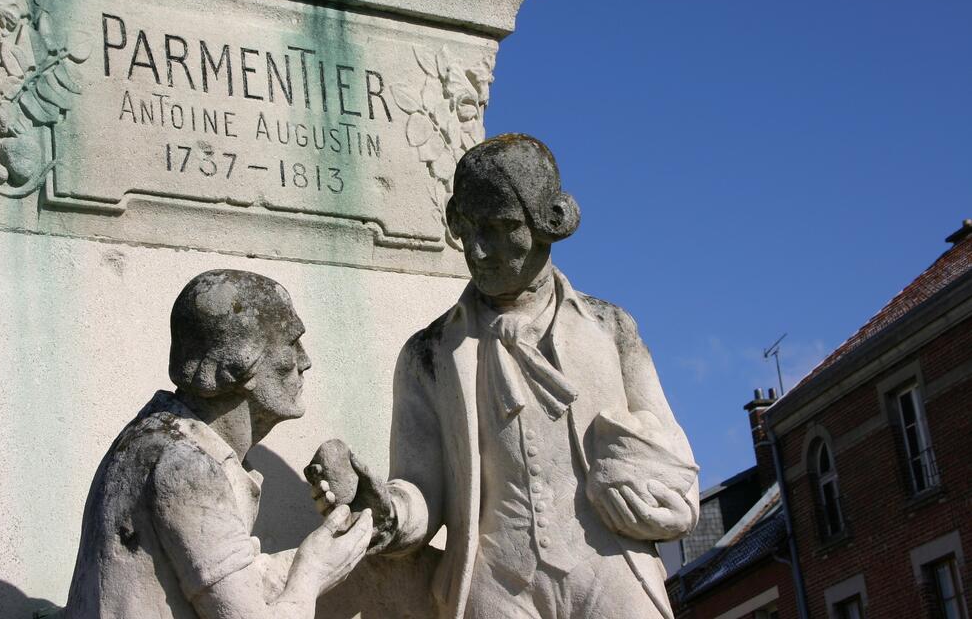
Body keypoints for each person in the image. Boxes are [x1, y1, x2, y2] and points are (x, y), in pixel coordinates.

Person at [308, 134, 699, 619]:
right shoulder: (427, 355)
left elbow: (674, 462)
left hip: (610, 570)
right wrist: (383, 510)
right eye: (468, 227)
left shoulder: (611, 329)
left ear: (546, 224)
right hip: (494, 583)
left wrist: (654, 496)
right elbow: (422, 488)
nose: (477, 248)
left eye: (499, 226)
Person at [62, 269, 372, 619]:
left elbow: (235, 582)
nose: (305, 361)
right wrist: (313, 573)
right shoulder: (186, 467)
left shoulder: (163, 437)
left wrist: (325, 549)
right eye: (291, 343)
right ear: (241, 364)